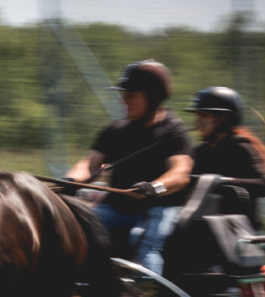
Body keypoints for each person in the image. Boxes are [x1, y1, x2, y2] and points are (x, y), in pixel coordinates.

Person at [65, 59, 193, 273]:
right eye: (123, 95)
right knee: (74, 226)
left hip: (158, 208)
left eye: (131, 95)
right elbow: (89, 165)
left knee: (144, 242)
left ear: (153, 98)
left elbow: (180, 174)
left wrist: (155, 188)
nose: (123, 101)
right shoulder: (115, 130)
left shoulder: (173, 132)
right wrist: (69, 182)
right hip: (117, 209)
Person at [184, 86, 265, 229]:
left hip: (241, 230)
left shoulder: (241, 147)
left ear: (222, 118)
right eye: (197, 115)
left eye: (203, 115)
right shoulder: (200, 151)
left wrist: (223, 181)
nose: (197, 121)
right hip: (208, 226)